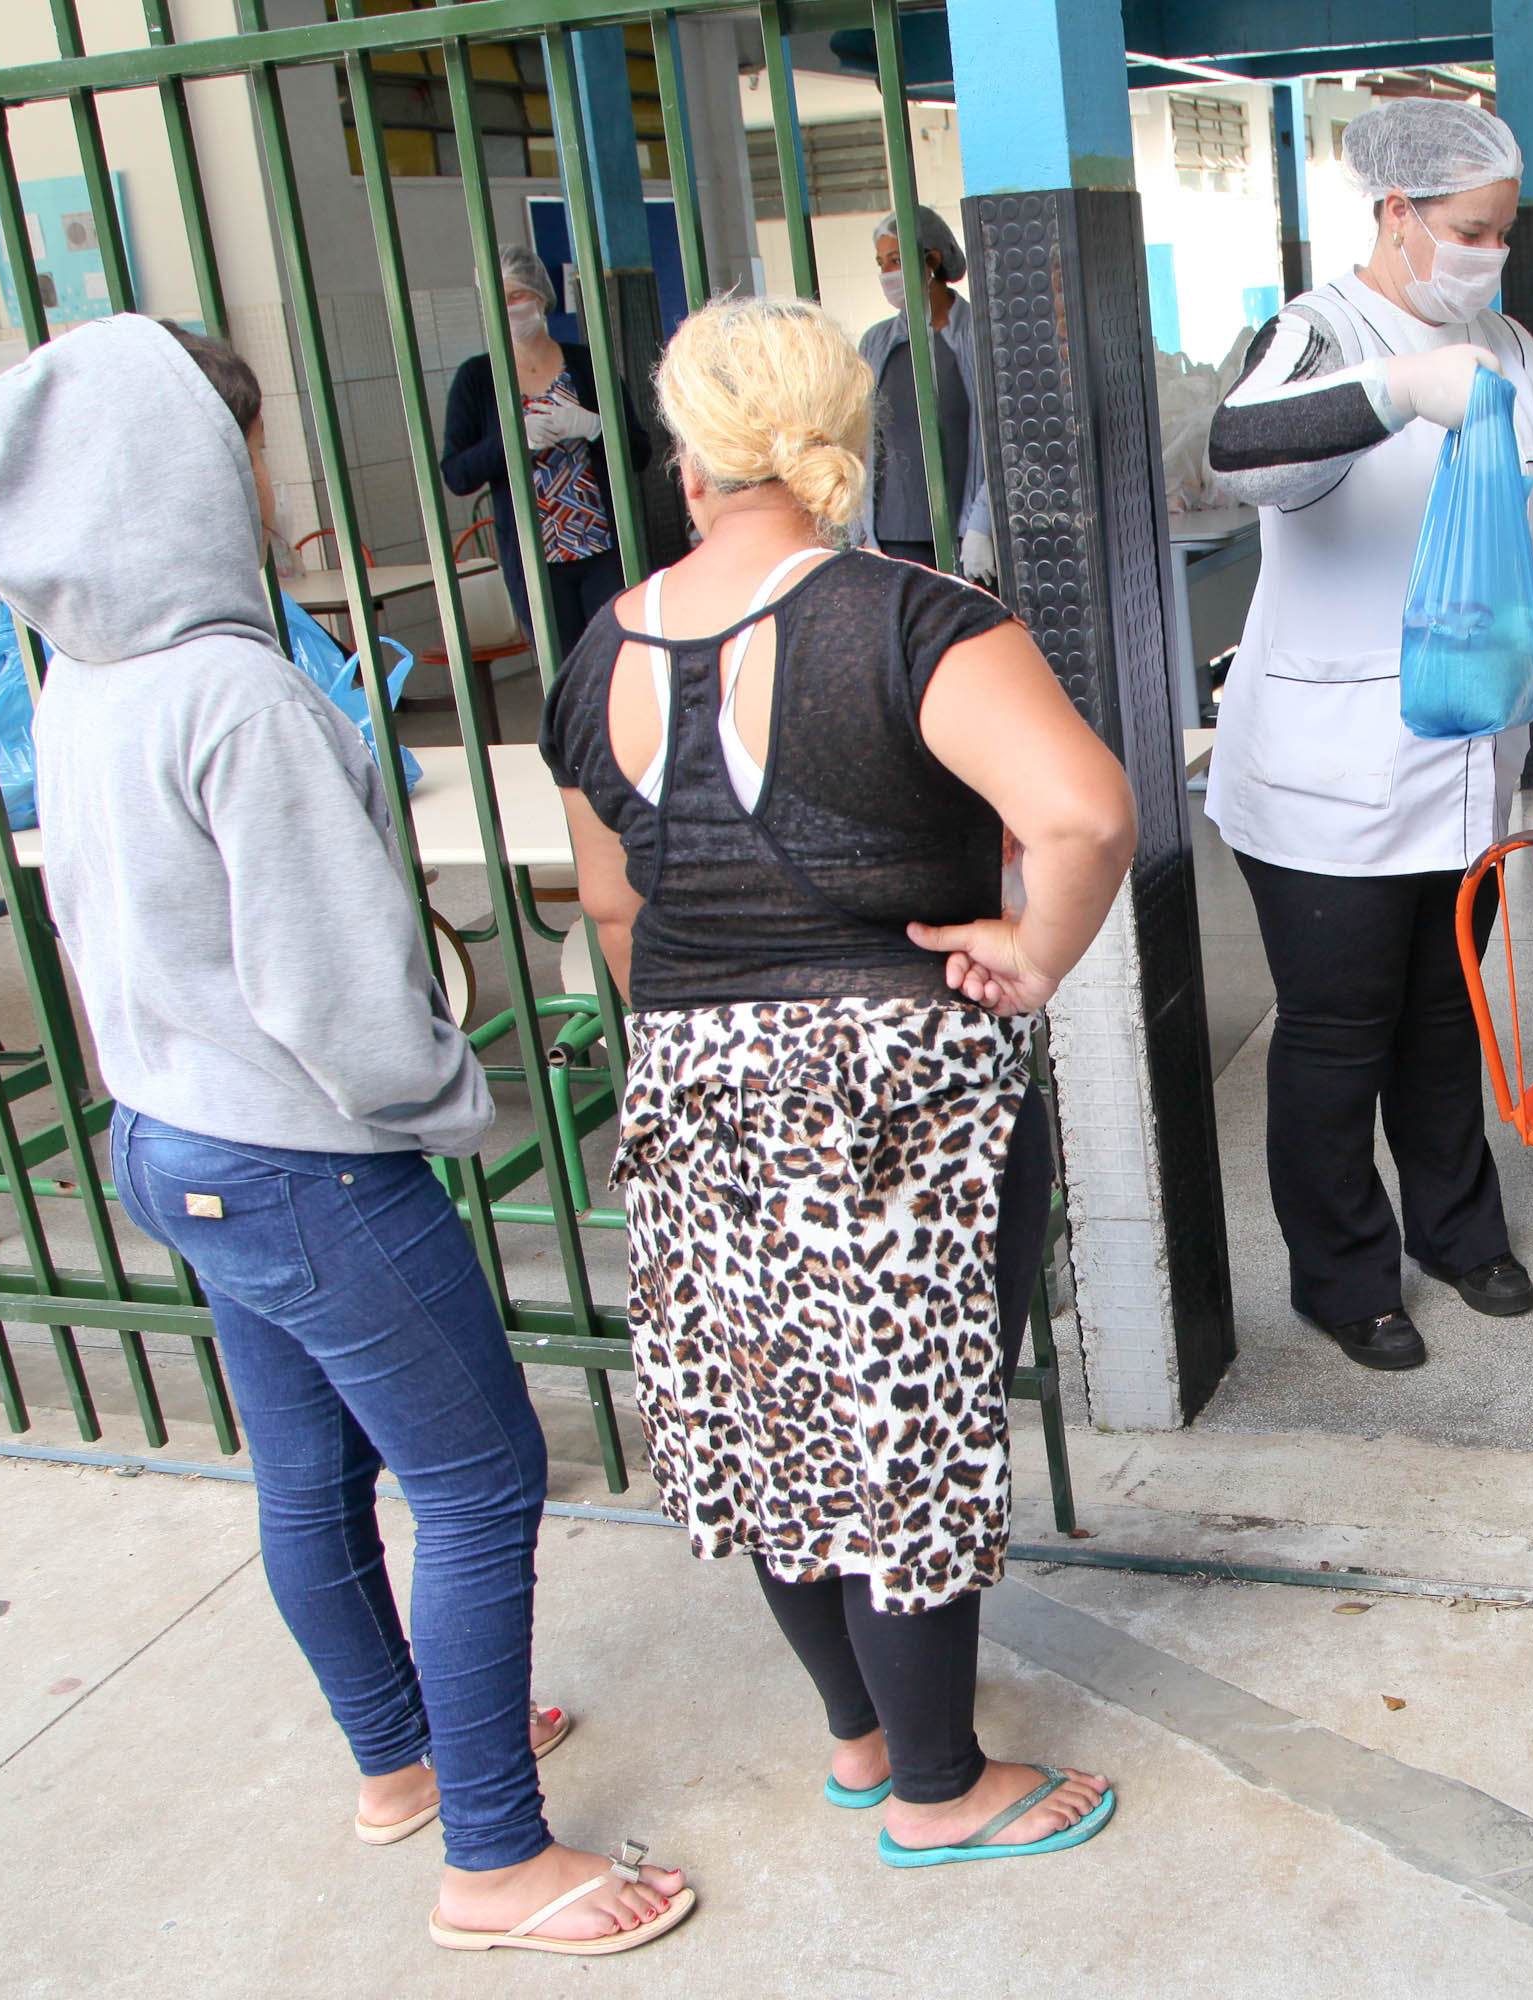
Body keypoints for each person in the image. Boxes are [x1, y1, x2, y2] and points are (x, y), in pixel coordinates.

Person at [0, 314, 693, 1954]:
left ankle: (403, 1764)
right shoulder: (237, 689)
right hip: (298, 1157)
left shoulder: (85, 674)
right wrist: (446, 1097)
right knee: (483, 1476)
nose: (262, 471)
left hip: (172, 1136)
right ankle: (494, 1861)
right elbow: (335, 985)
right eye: (241, 445)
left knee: (308, 1474)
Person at [549, 297, 1135, 1866]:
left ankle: (866, 1741)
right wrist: (1033, 954)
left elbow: (610, 903)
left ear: (687, 459)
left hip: (687, 1072)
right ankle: (944, 1794)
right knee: (909, 1415)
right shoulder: (912, 618)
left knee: (776, 1412)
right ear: (844, 439)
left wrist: (702, 1039)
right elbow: (1083, 818)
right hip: (896, 1085)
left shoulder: (601, 644)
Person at [1204, 95, 1533, 1374]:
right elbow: (1240, 454)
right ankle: (1341, 1276)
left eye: (1502, 232)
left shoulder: (1506, 341)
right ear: (1397, 214)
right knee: (1339, 1026)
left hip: (1469, 762)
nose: (1491, 254)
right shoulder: (1317, 331)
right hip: (1328, 772)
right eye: (1472, 230)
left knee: (1445, 1011)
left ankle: (1456, 1229)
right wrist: (1392, 390)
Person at [439, 244, 652, 650]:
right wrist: (510, 441)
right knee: (562, 671)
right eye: (497, 300)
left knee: (619, 657)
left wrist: (595, 426)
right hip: (535, 559)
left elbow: (639, 453)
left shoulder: (589, 365)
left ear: (540, 296)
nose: (510, 309)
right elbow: (457, 474)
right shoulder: (477, 378)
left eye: (517, 296)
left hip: (603, 548)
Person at [856, 207, 996, 585]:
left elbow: (1000, 439)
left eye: (897, 260)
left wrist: (981, 524)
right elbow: (860, 440)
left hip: (963, 536)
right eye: (882, 263)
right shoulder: (877, 343)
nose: (888, 274)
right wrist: (861, 533)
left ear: (932, 261)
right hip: (891, 537)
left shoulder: (978, 337)